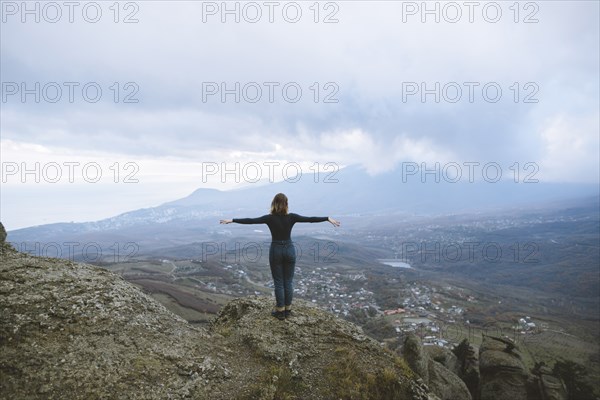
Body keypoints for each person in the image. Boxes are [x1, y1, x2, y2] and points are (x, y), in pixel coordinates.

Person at [220, 193, 340, 320]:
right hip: (289, 249)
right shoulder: (292, 217)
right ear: (286, 204)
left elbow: (251, 221)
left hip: (276, 250)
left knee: (278, 282)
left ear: (273, 204)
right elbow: (310, 219)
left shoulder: (269, 218)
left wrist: (232, 220)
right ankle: (288, 310)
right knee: (288, 281)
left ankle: (280, 311)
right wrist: (327, 218)